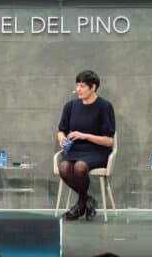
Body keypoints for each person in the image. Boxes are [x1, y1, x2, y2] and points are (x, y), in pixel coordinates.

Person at [56, 70, 115, 221]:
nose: (78, 89)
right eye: (77, 86)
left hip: (97, 151)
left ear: (93, 87)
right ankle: (86, 200)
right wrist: (62, 138)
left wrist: (85, 136)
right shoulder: (70, 106)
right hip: (76, 150)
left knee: (79, 167)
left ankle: (81, 204)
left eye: (82, 86)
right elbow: (61, 130)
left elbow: (109, 141)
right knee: (63, 167)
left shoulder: (104, 107)